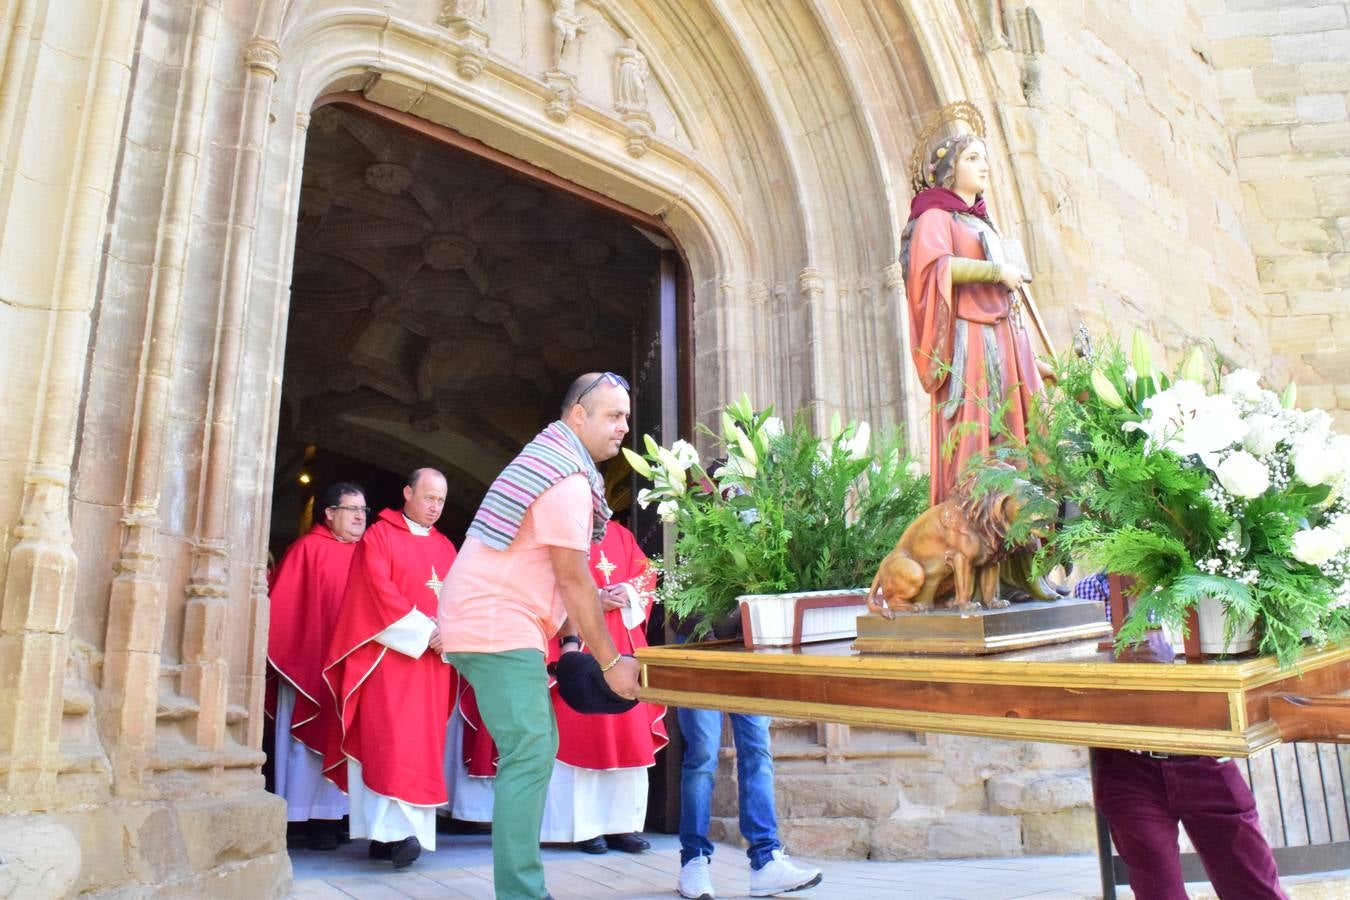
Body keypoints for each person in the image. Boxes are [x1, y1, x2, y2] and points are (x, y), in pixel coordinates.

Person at [438, 372, 642, 900]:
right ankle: (522, 894)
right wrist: (610, 660)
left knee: (534, 745)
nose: (624, 426)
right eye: (613, 415)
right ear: (579, 414)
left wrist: (578, 634)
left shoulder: (554, 464)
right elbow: (572, 579)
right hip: (495, 621)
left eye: (625, 415)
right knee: (531, 748)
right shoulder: (567, 480)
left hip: (497, 618)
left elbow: (554, 576)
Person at [454, 519, 668, 854]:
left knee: (624, 736)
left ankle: (620, 825)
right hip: (576, 642)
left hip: (621, 643)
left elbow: (647, 574)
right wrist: (591, 597)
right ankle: (583, 827)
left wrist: (625, 593)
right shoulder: (559, 530)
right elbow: (542, 581)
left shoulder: (622, 535)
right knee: (578, 733)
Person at [321, 469, 458, 869]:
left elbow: (464, 596)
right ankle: (393, 836)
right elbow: (376, 592)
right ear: (407, 493)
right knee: (391, 743)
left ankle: (396, 836)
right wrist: (426, 630)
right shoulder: (379, 537)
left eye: (441, 501)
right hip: (390, 659)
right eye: (429, 497)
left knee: (422, 747)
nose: (435, 507)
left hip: (433, 665)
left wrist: (450, 632)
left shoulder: (449, 547)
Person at [266, 482, 366, 850]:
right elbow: (286, 611)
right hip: (308, 665)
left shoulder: (367, 554)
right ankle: (302, 818)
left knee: (346, 740)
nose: (359, 517)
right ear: (328, 513)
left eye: (363, 510)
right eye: (351, 509)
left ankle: (335, 815)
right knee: (305, 746)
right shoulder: (306, 550)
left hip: (351, 668)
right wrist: (303, 655)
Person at [675, 701, 823, 899]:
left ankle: (766, 861)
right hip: (698, 672)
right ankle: (694, 858)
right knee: (702, 755)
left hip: (750, 674)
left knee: (758, 753)